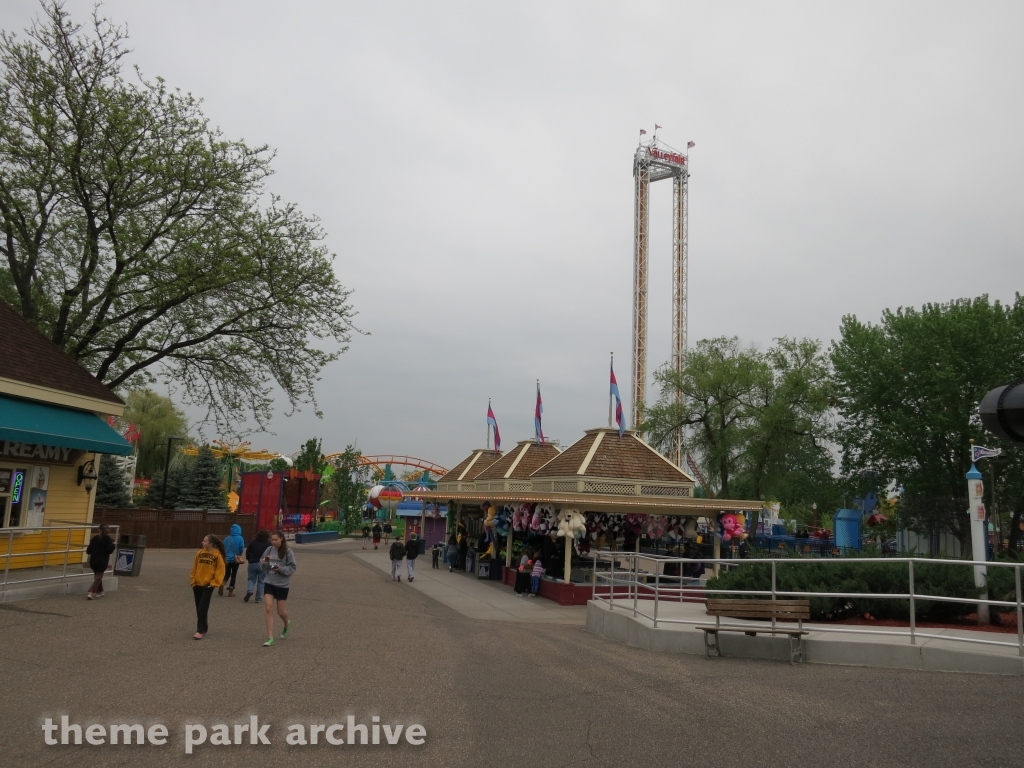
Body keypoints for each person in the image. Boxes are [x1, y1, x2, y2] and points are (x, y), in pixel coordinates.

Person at [260, 531, 296, 647]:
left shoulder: (288, 551)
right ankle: (270, 637)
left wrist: (280, 569)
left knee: (280, 611)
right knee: (268, 608)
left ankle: (286, 623)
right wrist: (264, 563)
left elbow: (292, 567)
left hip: (282, 584)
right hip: (269, 582)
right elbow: (263, 566)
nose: (273, 542)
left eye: (276, 540)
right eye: (272, 540)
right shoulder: (269, 550)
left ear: (281, 539)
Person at [190, 534, 226, 639]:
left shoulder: (217, 555)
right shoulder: (199, 553)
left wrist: (213, 583)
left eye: (205, 541)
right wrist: (193, 580)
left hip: (208, 585)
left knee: (203, 607)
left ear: (211, 543)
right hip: (197, 584)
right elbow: (194, 567)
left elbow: (220, 571)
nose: (202, 542)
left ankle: (200, 630)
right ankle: (204, 627)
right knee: (199, 607)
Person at [85, 524, 115, 600]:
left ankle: (100, 591)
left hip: (93, 561)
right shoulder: (108, 539)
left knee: (97, 577)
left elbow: (88, 551)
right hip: (102, 561)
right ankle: (91, 592)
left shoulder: (95, 538)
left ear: (99, 530)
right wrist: (113, 545)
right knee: (98, 577)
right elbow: (109, 550)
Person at [244, 529, 271, 603]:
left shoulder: (253, 542)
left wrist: (249, 559)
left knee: (251, 579)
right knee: (261, 581)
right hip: (263, 563)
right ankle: (258, 598)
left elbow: (247, 552)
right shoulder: (269, 544)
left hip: (252, 562)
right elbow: (270, 554)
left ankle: (249, 590)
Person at [221, 523, 246, 597]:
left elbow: (223, 547)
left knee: (227, 573)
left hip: (227, 559)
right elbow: (241, 547)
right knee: (233, 575)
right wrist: (239, 553)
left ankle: (222, 583)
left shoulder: (227, 538)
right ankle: (230, 592)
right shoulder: (240, 538)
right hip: (235, 560)